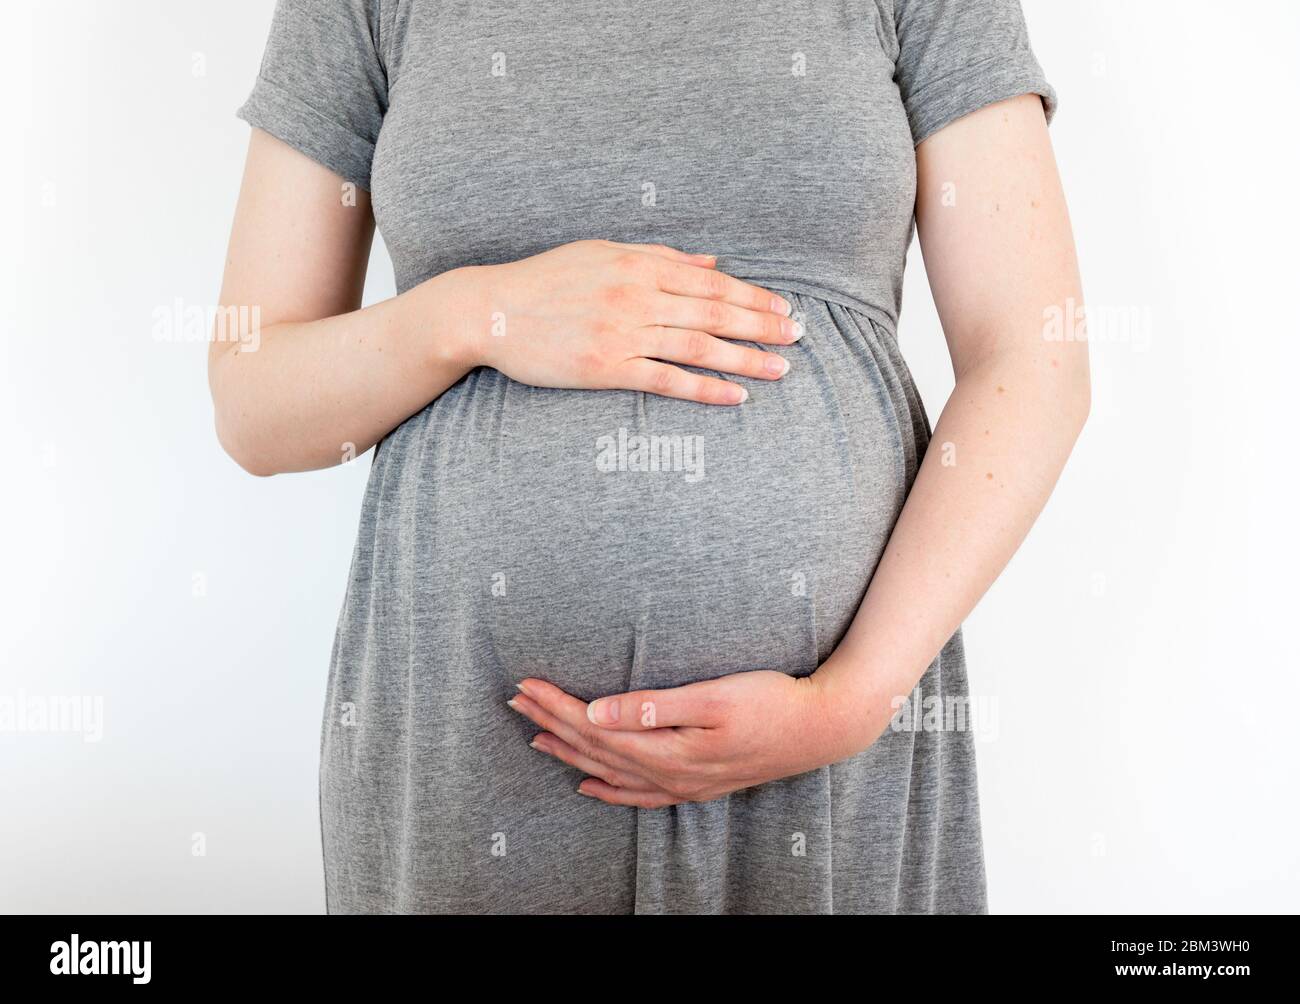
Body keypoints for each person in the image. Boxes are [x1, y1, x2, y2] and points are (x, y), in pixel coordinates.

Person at [209, 0, 1089, 913]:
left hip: (829, 747)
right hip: (469, 736)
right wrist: (475, 313)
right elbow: (253, 405)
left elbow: (1034, 360)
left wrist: (849, 701)